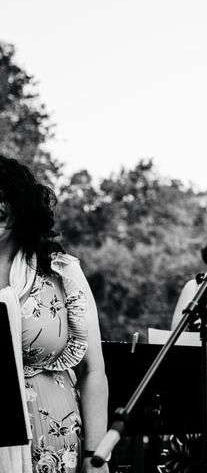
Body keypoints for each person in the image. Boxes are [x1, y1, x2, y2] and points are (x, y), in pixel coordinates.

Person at [0, 156, 109, 473]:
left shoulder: (61, 271)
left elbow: (93, 371)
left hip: (55, 444)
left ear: (20, 206)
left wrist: (96, 455)